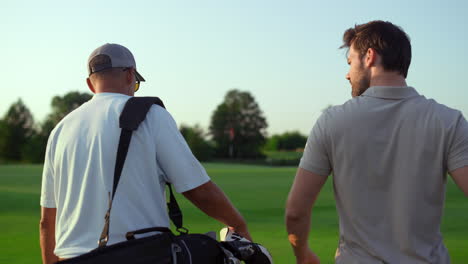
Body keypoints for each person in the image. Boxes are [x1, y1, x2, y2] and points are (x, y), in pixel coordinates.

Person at [39, 43, 251, 264]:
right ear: (131, 75)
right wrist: (239, 226)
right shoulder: (151, 115)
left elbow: (47, 221)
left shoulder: (60, 131)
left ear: (90, 85)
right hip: (140, 254)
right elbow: (200, 191)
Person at [285, 20, 468, 264]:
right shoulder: (449, 121)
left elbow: (296, 212)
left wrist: (302, 255)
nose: (347, 73)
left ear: (369, 56)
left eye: (350, 62)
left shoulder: (331, 122)